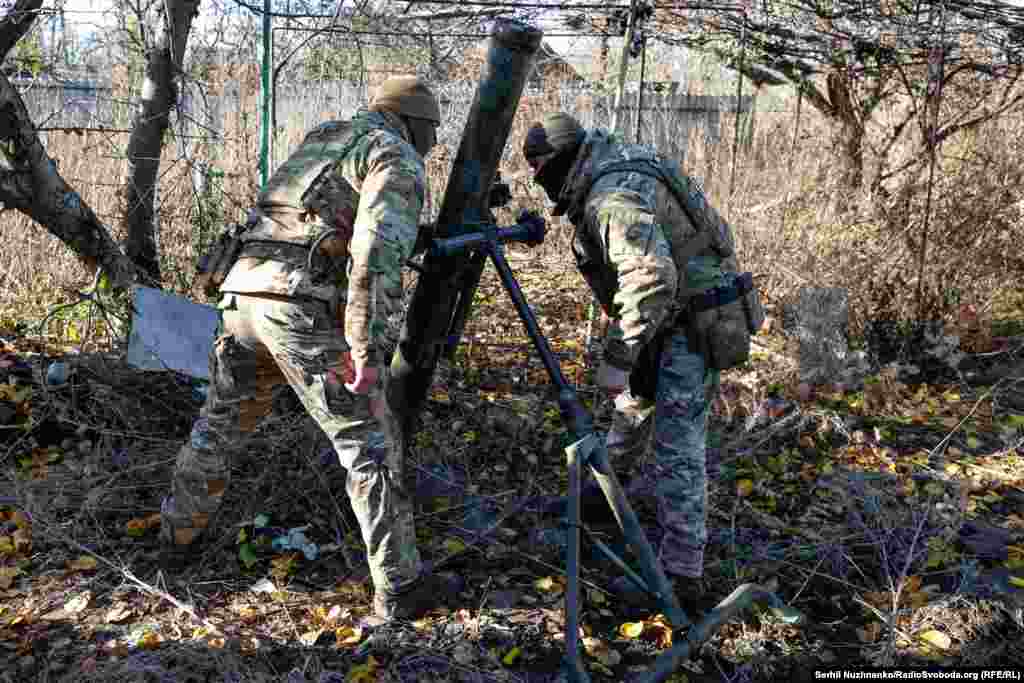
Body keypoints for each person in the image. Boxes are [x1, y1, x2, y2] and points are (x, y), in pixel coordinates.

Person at [160, 76, 460, 620]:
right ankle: (400, 588)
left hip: (241, 293)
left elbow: (309, 220)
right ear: (418, 125)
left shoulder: (328, 136)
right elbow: (375, 253)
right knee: (369, 443)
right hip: (297, 307)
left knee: (218, 426)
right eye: (432, 136)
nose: (431, 148)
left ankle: (173, 545)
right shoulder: (395, 155)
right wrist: (366, 349)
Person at [522, 112, 738, 615]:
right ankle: (600, 503)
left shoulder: (610, 196)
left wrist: (621, 354)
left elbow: (652, 277)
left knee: (677, 449)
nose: (540, 183)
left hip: (689, 323)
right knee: (631, 409)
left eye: (540, 171)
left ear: (560, 163)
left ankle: (682, 577)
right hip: (671, 318)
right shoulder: (620, 164)